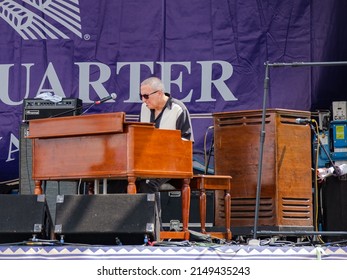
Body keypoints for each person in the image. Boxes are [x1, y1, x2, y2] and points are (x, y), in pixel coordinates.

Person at [138, 77, 194, 230]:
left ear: (160, 93)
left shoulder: (178, 109)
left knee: (148, 183)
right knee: (119, 182)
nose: (144, 100)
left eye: (146, 96)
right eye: (141, 96)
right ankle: (134, 228)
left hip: (173, 162)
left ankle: (155, 230)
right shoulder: (144, 109)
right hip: (148, 163)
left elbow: (187, 142)